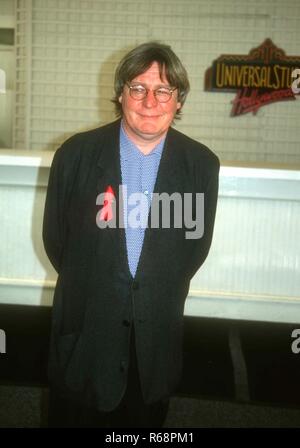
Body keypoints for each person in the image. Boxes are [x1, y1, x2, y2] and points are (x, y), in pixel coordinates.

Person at [43, 41, 220, 428]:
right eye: (138, 88)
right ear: (121, 94)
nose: (149, 100)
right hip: (87, 336)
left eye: (163, 90)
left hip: (154, 343)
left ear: (178, 100)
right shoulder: (75, 155)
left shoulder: (201, 165)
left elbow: (194, 251)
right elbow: (58, 242)